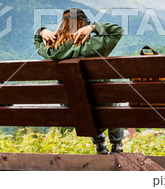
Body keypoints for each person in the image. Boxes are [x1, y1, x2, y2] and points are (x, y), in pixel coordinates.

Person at [33, 8, 124, 155]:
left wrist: (42, 31)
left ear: (62, 25)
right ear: (84, 26)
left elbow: (37, 41)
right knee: (113, 101)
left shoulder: (52, 48)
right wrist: (93, 27)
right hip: (104, 104)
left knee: (84, 102)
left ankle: (100, 144)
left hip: (75, 106)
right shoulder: (95, 44)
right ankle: (117, 145)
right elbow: (117, 31)